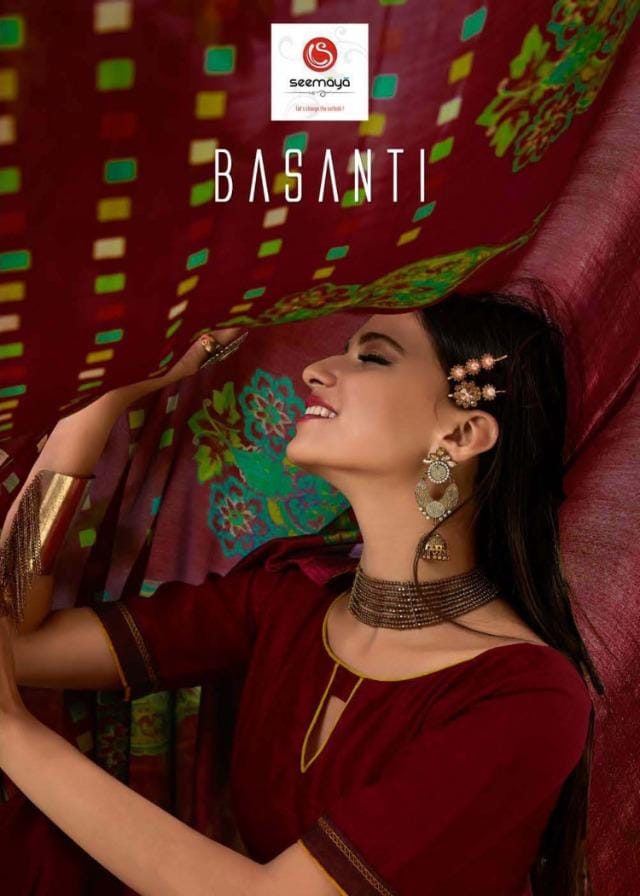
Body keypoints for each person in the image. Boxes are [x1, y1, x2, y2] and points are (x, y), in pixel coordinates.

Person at [0, 292, 603, 896]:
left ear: (463, 432)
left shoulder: (527, 696)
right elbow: (17, 641)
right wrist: (97, 405)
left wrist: (11, 732)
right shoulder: (285, 602)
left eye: (372, 357)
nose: (315, 370)